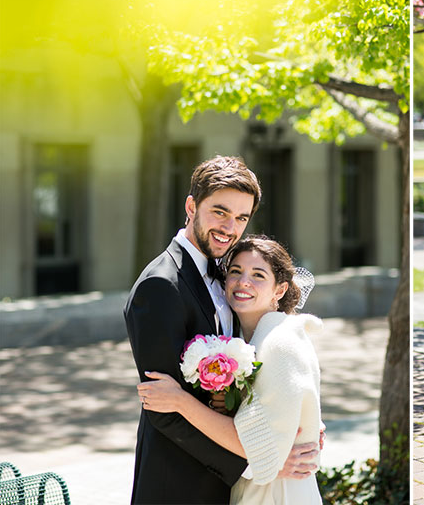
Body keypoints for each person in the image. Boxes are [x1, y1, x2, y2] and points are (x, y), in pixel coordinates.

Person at [124, 156, 317, 504]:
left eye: (241, 217)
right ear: (191, 206)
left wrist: (294, 427)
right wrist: (258, 459)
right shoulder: (160, 285)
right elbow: (163, 410)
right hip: (179, 484)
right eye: (220, 211)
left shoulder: (228, 276)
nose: (230, 227)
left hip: (225, 484)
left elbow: (263, 377)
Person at [138, 236, 323, 505]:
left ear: (280, 290)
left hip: (278, 494)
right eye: (235, 271)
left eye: (258, 275)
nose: (243, 282)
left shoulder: (279, 342)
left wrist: (180, 401)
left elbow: (261, 451)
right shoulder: (247, 340)